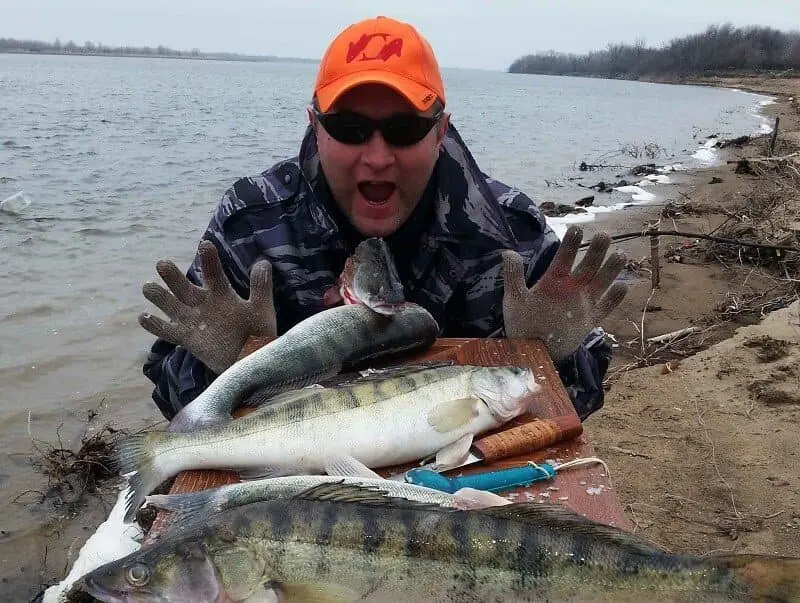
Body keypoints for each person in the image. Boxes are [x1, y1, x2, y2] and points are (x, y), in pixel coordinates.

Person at [139, 15, 627, 423]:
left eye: (404, 129)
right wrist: (229, 366)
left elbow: (582, 396)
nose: (376, 157)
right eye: (349, 129)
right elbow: (169, 392)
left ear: (440, 132)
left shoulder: (510, 238)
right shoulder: (250, 228)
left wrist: (550, 355)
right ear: (315, 126)